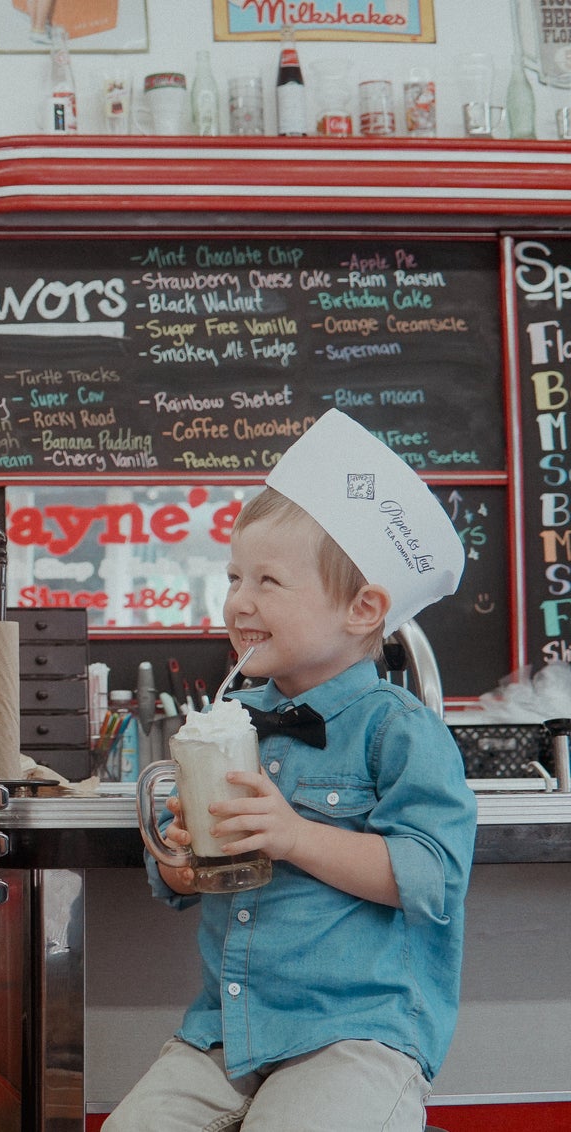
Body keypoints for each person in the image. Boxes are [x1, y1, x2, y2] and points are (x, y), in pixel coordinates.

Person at [109, 410, 476, 1132]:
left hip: (355, 1034)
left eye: (269, 581)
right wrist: (181, 857)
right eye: (235, 576)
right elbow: (177, 875)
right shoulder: (229, 721)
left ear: (362, 607)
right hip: (228, 1029)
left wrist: (294, 834)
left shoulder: (397, 731)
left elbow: (435, 881)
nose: (240, 600)